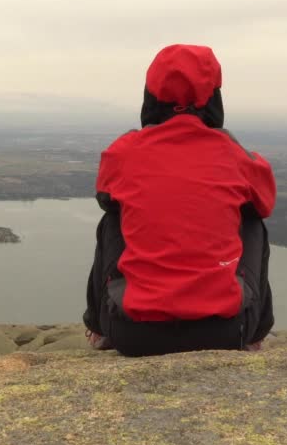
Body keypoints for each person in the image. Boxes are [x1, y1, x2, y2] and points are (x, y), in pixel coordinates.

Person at [83, 44, 276, 357]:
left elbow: (105, 197)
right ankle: (257, 333)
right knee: (252, 218)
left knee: (113, 218)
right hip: (226, 331)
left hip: (131, 333)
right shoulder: (235, 157)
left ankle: (98, 327)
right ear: (215, 97)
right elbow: (265, 202)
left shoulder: (125, 151)